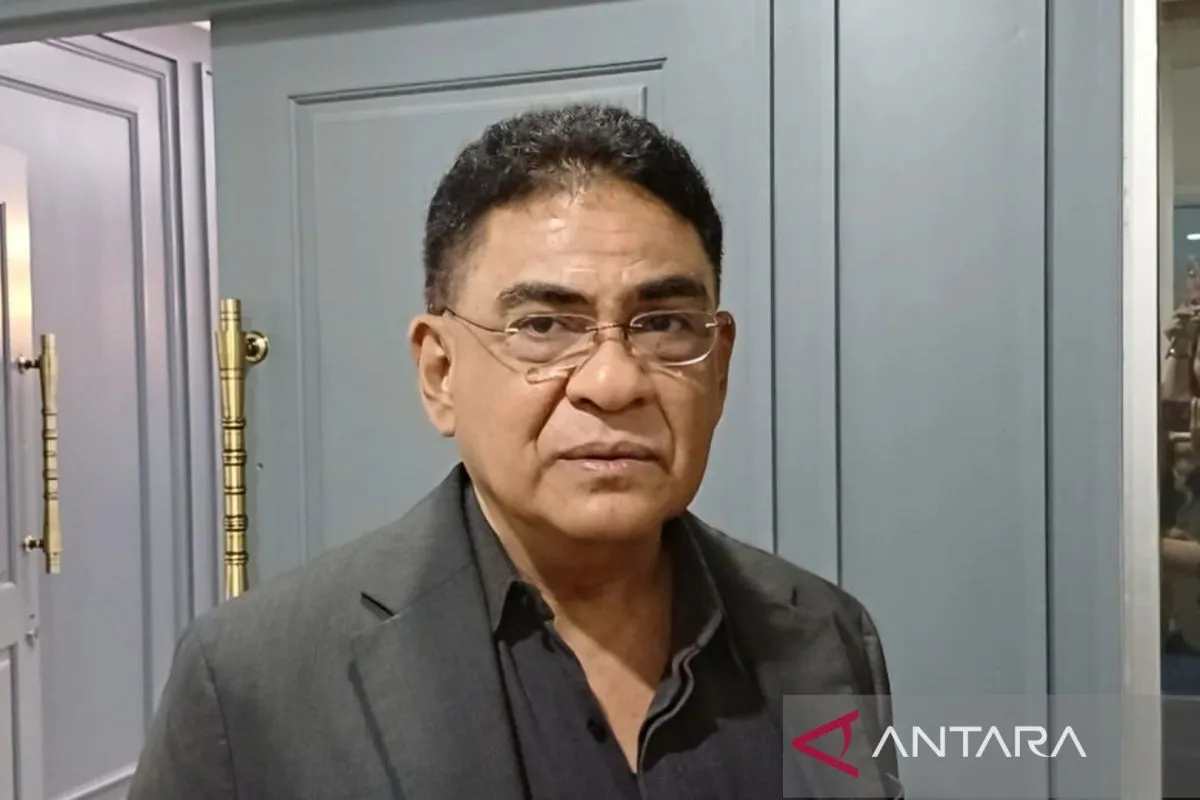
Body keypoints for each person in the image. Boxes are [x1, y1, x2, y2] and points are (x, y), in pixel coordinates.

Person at [128, 103, 900, 800]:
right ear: (440, 372)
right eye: (544, 326)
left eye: (664, 324)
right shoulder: (252, 679)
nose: (613, 382)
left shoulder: (825, 634)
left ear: (719, 367)